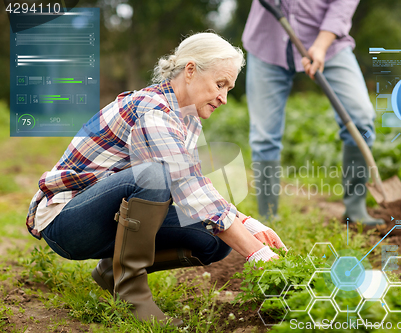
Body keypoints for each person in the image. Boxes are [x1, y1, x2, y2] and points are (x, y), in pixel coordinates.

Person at [25, 32, 286, 326]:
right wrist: (256, 252)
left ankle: (113, 271)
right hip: (67, 222)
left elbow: (197, 185)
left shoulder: (187, 118)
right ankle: (133, 296)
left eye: (228, 88)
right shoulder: (153, 110)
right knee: (156, 174)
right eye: (220, 84)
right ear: (190, 70)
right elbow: (186, 186)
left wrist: (249, 224)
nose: (224, 98)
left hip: (109, 217)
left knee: (215, 238)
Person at [242, 0, 384, 225]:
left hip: (329, 45)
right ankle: (268, 218)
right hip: (267, 44)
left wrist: (321, 44)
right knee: (264, 135)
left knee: (361, 118)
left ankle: (356, 210)